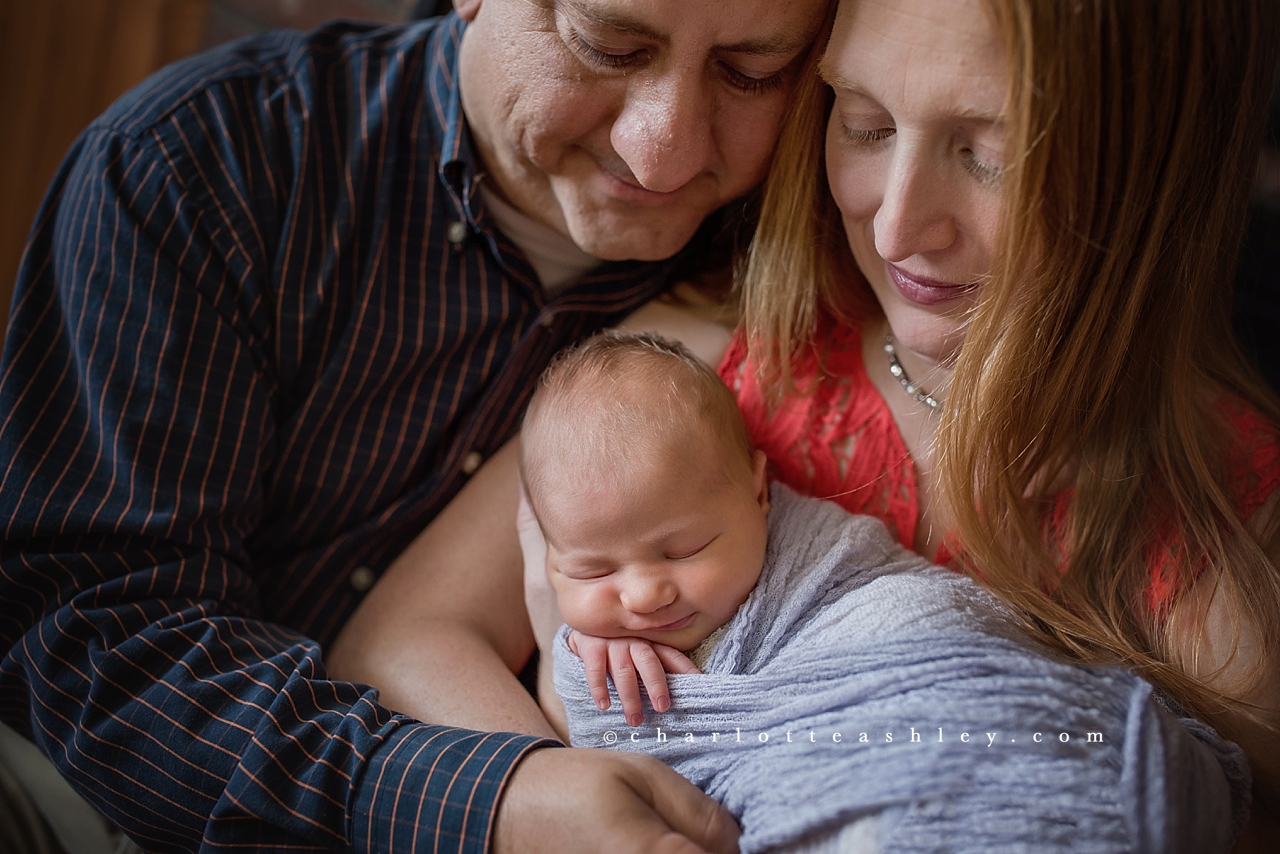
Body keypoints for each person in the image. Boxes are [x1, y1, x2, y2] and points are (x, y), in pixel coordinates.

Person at [323, 0, 1280, 847]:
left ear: (1154, 175)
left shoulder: (1229, 534)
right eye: (863, 125)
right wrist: (563, 784)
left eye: (990, 155)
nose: (899, 224)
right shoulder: (700, 376)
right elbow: (402, 638)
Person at [0, 1, 831, 851]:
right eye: (608, 46)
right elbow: (100, 638)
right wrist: (493, 800)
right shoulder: (194, 161)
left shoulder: (793, 246)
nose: (662, 150)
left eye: (749, 73)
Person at [522, 330, 1248, 853]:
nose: (643, 594)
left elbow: (933, 631)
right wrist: (588, 670)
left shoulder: (823, 557)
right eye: (592, 571)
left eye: (683, 549)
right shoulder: (592, 650)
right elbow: (603, 749)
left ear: (758, 490)